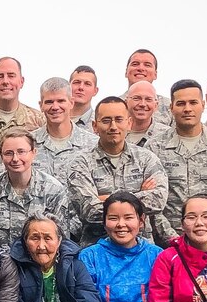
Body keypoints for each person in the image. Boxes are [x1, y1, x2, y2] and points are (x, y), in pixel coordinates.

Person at [149, 79, 207, 245]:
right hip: (168, 246)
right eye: (181, 103)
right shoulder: (154, 147)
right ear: (171, 107)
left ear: (203, 104)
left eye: (193, 102)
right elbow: (152, 201)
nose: (187, 109)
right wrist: (172, 238)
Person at [67, 96, 168, 247]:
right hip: (96, 251)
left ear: (129, 123)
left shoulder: (146, 159)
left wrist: (105, 199)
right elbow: (90, 211)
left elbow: (158, 200)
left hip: (141, 251)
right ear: (95, 126)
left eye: (119, 120)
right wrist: (137, 197)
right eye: (106, 120)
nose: (113, 126)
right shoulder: (80, 164)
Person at [0, 127, 74, 245]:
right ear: (1, 155)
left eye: (21, 152)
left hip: (40, 258)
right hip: (0, 261)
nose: (15, 159)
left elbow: (61, 240)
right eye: (9, 153)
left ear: (34, 153)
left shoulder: (53, 190)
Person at [32, 76, 97, 178]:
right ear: (41, 106)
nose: (55, 107)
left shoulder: (93, 144)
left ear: (71, 103)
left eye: (61, 101)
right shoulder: (29, 144)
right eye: (49, 102)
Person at [0, 57, 44, 133]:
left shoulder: (38, 120)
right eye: (0, 77)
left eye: (11, 76)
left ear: (21, 82)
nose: (5, 81)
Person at [122, 49, 172, 124]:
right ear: (126, 72)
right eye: (135, 64)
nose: (140, 68)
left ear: (155, 74)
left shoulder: (169, 106)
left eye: (147, 65)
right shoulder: (113, 104)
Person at [124, 81, 172, 148]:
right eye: (136, 98)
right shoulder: (115, 132)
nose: (142, 104)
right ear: (126, 103)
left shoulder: (168, 135)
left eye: (148, 99)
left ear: (156, 105)